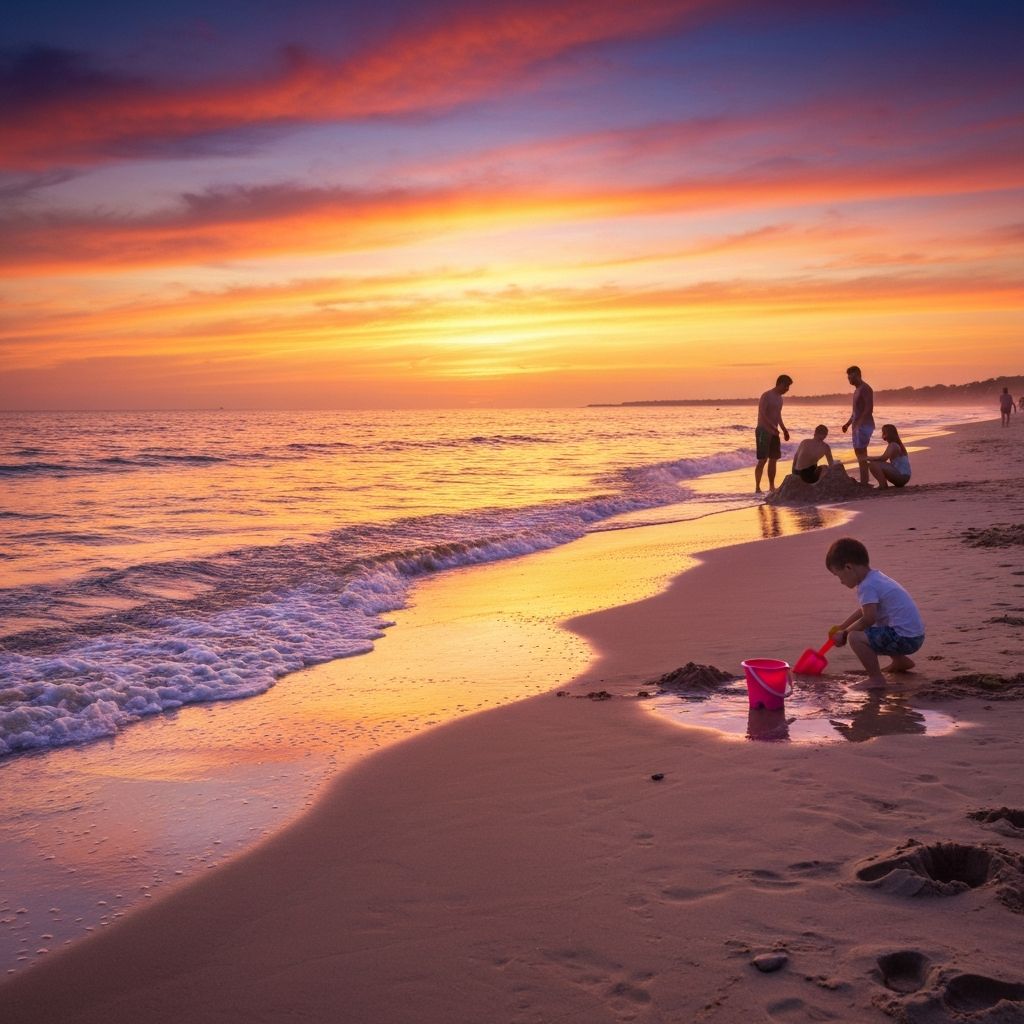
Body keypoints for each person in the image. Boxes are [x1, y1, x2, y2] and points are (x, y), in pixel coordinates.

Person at [825, 537, 925, 690]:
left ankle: (876, 679)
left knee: (856, 637)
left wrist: (845, 634)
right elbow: (863, 610)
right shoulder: (876, 578)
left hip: (905, 638)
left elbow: (868, 618)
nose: (841, 581)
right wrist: (843, 625)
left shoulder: (867, 586)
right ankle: (901, 662)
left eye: (839, 576)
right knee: (883, 624)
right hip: (915, 636)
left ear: (848, 568)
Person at [754, 374, 792, 493]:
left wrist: (784, 429)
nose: (787, 389)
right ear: (781, 384)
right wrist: (771, 427)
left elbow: (778, 415)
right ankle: (757, 487)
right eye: (786, 386)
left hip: (774, 432)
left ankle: (771, 486)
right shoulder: (766, 396)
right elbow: (762, 413)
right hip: (763, 431)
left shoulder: (780, 399)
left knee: (773, 459)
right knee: (763, 460)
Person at [841, 366, 874, 485]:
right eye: (848, 376)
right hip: (857, 426)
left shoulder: (865, 388)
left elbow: (869, 408)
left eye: (851, 376)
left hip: (864, 426)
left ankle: (864, 482)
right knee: (859, 453)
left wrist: (860, 423)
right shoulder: (857, 390)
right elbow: (855, 412)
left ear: (858, 374)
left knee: (861, 452)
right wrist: (848, 424)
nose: (849, 379)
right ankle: (864, 480)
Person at [865, 424, 911, 488]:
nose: (882, 434)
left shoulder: (893, 445)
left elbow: (883, 458)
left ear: (888, 434)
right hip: (904, 477)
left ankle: (883, 485)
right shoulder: (897, 444)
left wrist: (869, 458)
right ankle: (883, 484)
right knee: (875, 463)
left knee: (873, 464)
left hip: (902, 476)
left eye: (884, 432)